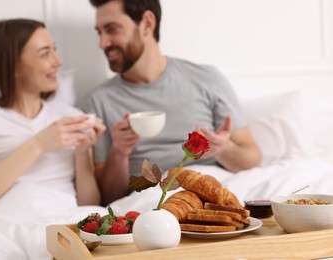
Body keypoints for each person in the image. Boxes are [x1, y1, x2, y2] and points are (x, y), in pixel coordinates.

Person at [82, 0, 262, 206]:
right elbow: (108, 198)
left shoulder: (206, 78)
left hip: (212, 193)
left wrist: (223, 149)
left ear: (147, 23)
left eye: (111, 30)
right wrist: (119, 153)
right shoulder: (98, 101)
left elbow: (253, 160)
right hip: (148, 203)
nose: (102, 43)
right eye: (99, 33)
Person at [0, 18, 106, 213]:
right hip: (4, 224)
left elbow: (89, 206)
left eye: (54, 50)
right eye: (45, 54)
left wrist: (83, 153)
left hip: (62, 224)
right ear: (13, 65)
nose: (58, 62)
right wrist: (38, 144)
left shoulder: (71, 117)